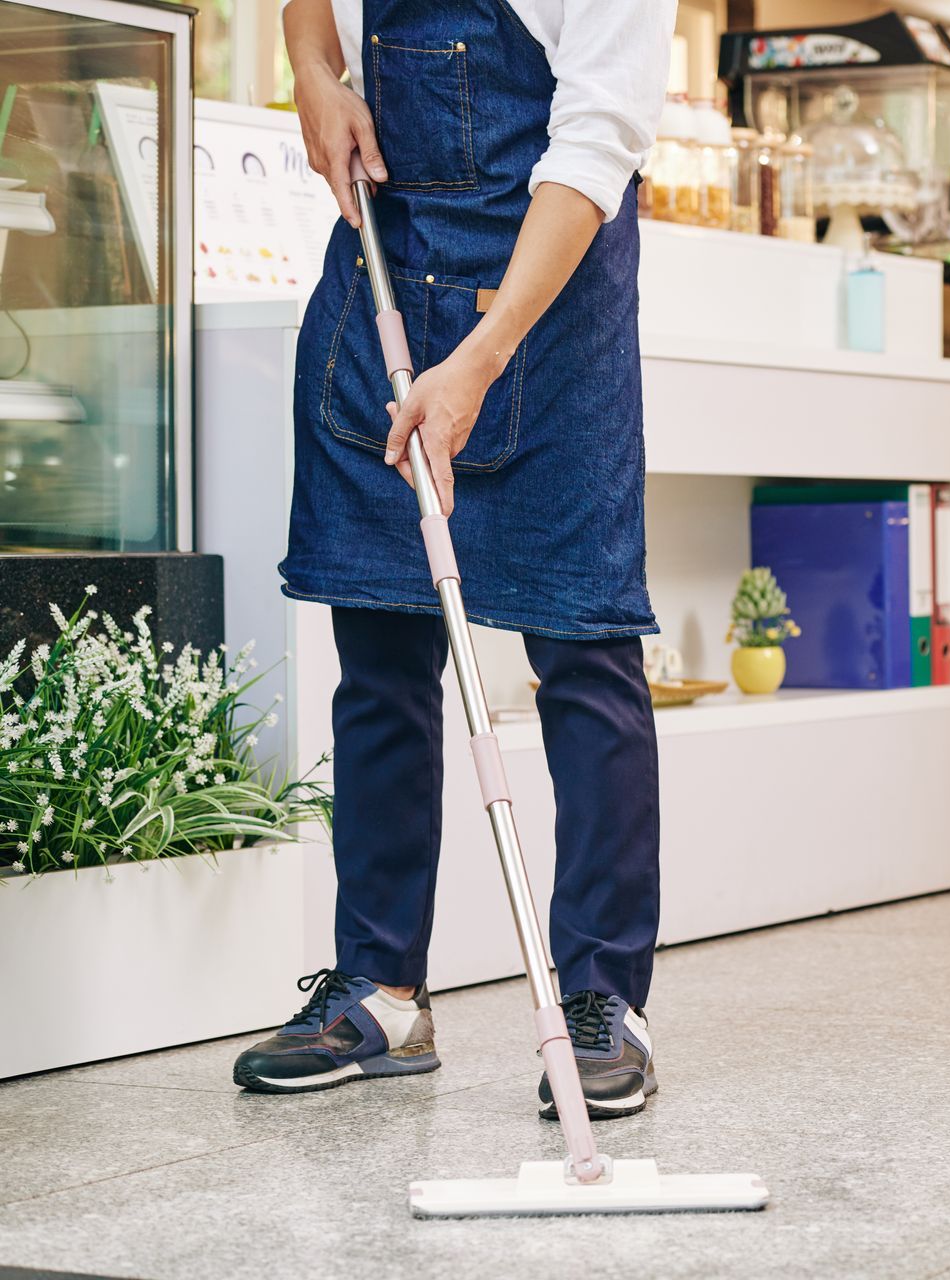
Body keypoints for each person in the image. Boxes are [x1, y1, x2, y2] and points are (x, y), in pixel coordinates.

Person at [233, 0, 676, 1122]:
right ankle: (380, 991)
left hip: (545, 305)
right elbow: (306, 4)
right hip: (385, 273)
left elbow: (595, 144)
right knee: (377, 647)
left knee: (584, 647)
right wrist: (314, 71)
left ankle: (600, 1001)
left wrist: (481, 356)